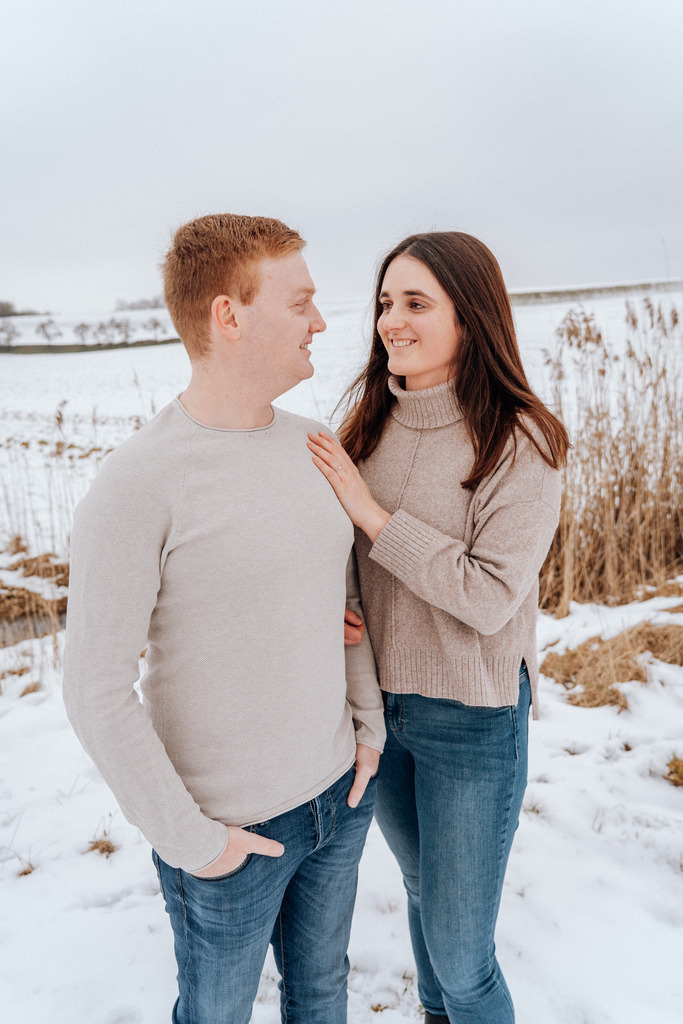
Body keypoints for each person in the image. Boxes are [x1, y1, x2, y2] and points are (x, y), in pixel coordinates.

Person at [62, 213, 385, 1024]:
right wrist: (193, 840)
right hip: (227, 836)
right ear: (228, 316)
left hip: (337, 800)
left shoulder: (316, 445)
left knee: (321, 995)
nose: (320, 321)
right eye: (301, 302)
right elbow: (94, 690)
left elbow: (339, 606)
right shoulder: (139, 483)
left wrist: (369, 732)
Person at [307, 231, 569, 1024]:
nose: (391, 319)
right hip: (382, 716)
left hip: (471, 719)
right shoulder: (368, 424)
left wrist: (371, 515)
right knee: (424, 899)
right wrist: (340, 603)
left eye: (416, 302)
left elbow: (490, 597)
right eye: (386, 301)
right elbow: (343, 554)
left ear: (471, 315)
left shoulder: (520, 440)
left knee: (462, 955)